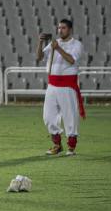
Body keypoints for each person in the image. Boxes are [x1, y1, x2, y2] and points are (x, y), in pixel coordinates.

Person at [36, 19, 84, 156]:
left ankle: (71, 147)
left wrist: (57, 48)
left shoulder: (76, 44)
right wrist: (40, 42)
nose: (60, 30)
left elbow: (72, 60)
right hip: (52, 85)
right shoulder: (53, 43)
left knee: (70, 117)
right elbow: (39, 57)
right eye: (59, 28)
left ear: (70, 29)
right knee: (48, 116)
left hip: (68, 86)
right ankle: (57, 144)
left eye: (63, 28)